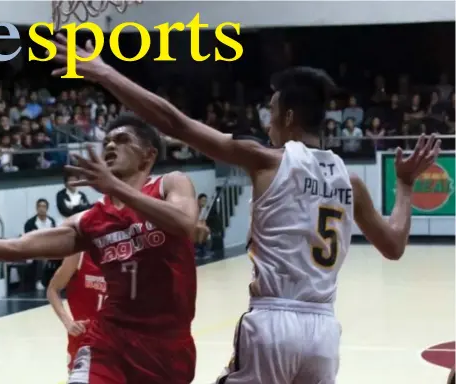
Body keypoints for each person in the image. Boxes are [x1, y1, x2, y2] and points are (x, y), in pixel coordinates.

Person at [47, 36, 441, 383]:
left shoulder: (266, 160)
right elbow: (393, 246)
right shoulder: (349, 180)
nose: (266, 124)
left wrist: (104, 73)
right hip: (324, 332)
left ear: (287, 116)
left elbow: (175, 122)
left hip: (272, 321)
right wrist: (404, 185)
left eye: (270, 113)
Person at [0, 113, 199, 383]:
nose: (109, 146)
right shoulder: (90, 221)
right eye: (107, 141)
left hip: (169, 347)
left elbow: (184, 223)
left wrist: (116, 187)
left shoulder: (170, 184)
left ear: (148, 154)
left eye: (121, 139)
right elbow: (17, 246)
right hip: (110, 343)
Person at [46, 251, 106, 372]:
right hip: (84, 341)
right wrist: (68, 322)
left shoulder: (128, 255)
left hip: (117, 342)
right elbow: (52, 289)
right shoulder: (79, 254)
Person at [23, 198, 57, 290]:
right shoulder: (30, 223)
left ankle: (58, 280)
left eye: (44, 206)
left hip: (49, 247)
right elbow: (28, 239)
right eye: (40, 206)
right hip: (34, 248)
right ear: (36, 208)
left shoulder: (51, 221)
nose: (42, 209)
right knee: (42, 256)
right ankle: (40, 280)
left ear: (47, 208)